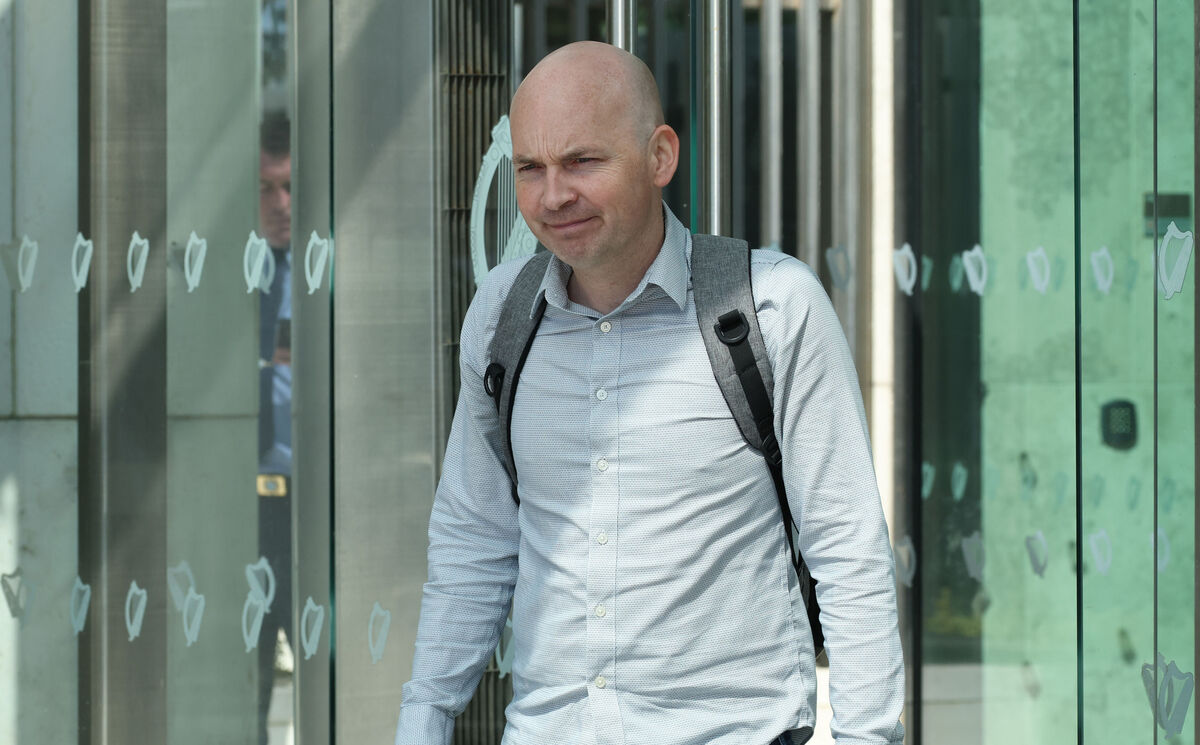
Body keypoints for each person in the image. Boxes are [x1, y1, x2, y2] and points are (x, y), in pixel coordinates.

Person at [396, 41, 904, 745]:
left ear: (660, 157)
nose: (553, 195)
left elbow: (847, 546)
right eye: (530, 168)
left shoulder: (773, 308)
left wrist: (868, 736)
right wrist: (422, 722)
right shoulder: (500, 318)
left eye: (582, 161)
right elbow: (473, 538)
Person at [256, 111, 295, 745]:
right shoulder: (231, 273)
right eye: (267, 189)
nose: (284, 205)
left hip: (318, 497)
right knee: (249, 665)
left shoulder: (336, 266)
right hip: (251, 497)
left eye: (292, 187)